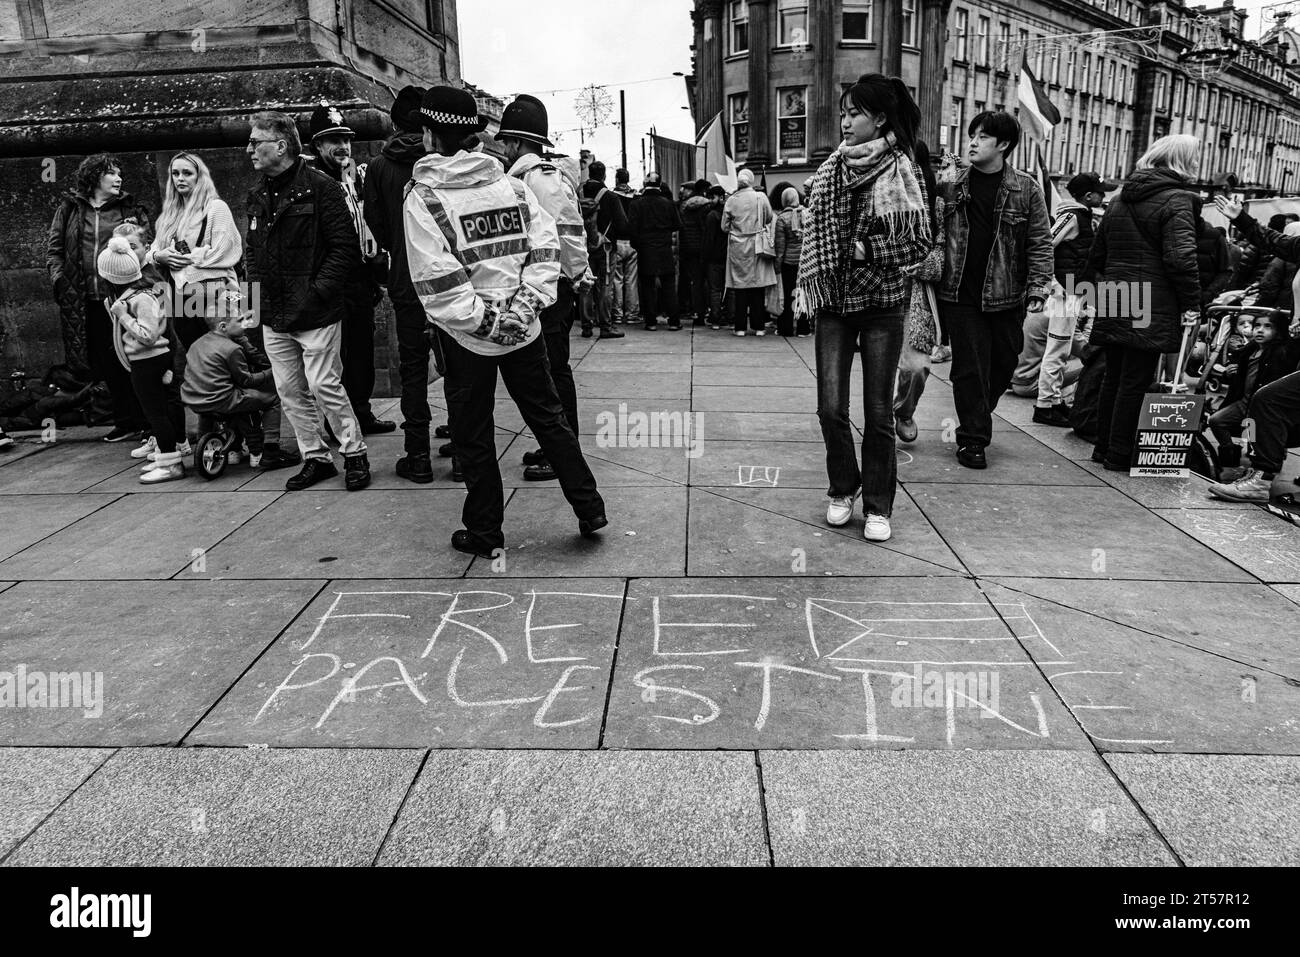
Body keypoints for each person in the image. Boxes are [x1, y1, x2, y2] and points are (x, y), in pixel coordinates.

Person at [403, 85, 608, 557]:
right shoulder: (512, 187)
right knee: (549, 418)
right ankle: (589, 506)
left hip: (467, 338)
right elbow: (546, 250)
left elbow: (437, 279)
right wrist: (525, 307)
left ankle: (485, 533)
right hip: (525, 327)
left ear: (431, 134)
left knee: (473, 435)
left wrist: (486, 322)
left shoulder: (425, 198)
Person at [796, 73, 931, 543]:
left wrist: (866, 251)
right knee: (830, 407)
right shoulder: (832, 167)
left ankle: (877, 505)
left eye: (855, 113)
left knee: (877, 413)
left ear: (880, 118)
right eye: (844, 113)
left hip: (882, 305)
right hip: (834, 301)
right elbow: (817, 224)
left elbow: (919, 242)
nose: (846, 121)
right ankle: (842, 488)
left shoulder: (902, 169)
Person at [244, 109, 370, 491]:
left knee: (324, 385)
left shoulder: (320, 187)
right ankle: (315, 457)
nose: (249, 148)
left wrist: (319, 292)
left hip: (315, 310)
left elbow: (343, 248)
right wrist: (255, 294)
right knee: (289, 390)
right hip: (274, 311)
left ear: (281, 146)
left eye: (256, 142)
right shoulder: (257, 194)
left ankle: (354, 453)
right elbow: (253, 250)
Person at [936, 111, 1053, 469]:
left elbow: (1040, 241)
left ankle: (975, 415)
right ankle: (973, 439)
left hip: (1006, 295)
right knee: (969, 367)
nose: (972, 142)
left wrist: (1038, 286)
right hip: (959, 293)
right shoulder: (952, 184)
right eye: (972, 135)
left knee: (1004, 364)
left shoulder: (1026, 187)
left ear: (1003, 145)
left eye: (982, 137)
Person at [1087, 134, 1202, 471]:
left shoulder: (1120, 198)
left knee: (1114, 375)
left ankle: (1103, 445)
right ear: (1182, 160)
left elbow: (1098, 254)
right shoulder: (1179, 198)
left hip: (1116, 291)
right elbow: (1181, 259)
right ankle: (1120, 453)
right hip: (1152, 297)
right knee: (1135, 378)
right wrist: (1192, 304)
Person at [497, 93, 591, 482]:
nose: (502, 148)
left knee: (554, 368)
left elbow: (566, 233)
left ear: (517, 142)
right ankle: (556, 443)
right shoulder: (533, 176)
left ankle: (563, 450)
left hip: (549, 287)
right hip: (543, 286)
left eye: (505, 141)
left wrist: (578, 274)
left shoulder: (539, 178)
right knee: (546, 369)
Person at [364, 84, 452, 484]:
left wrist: (396, 248)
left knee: (412, 368)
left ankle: (417, 454)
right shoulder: (443, 161)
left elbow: (376, 222)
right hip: (448, 277)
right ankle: (465, 451)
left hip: (404, 276)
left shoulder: (380, 167)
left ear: (395, 123)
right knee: (457, 362)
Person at [46, 153, 151, 442]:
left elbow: (145, 245)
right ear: (95, 178)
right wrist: (59, 279)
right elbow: (55, 249)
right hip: (84, 299)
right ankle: (125, 420)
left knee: (132, 356)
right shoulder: (69, 209)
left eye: (119, 174)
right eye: (112, 173)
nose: (119, 179)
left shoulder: (128, 208)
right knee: (105, 361)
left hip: (121, 296)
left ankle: (146, 420)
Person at [308, 101, 396, 436]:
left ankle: (361, 411)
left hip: (359, 279)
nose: (343, 146)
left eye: (345, 138)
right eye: (333, 140)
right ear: (318, 145)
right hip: (331, 281)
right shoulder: (312, 182)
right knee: (334, 357)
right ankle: (336, 421)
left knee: (361, 350)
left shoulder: (354, 178)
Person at [1007, 171, 1111, 426]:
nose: (1104, 195)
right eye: (1101, 192)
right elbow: (1045, 244)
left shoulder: (1081, 217)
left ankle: (1053, 401)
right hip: (1065, 293)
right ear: (1088, 196)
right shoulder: (1073, 217)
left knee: (1061, 350)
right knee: (1057, 349)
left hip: (1071, 291)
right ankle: (1045, 405)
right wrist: (1052, 283)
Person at [96, 234, 186, 483]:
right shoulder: (128, 297)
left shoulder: (141, 297)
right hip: (143, 362)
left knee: (156, 413)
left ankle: (171, 464)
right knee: (155, 412)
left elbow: (148, 335)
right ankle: (166, 458)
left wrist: (124, 316)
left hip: (149, 360)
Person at [181, 291, 282, 471]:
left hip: (194, 398)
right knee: (271, 399)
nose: (245, 323)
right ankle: (267, 449)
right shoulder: (232, 348)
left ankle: (231, 449)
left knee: (217, 406)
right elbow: (247, 380)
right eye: (239, 320)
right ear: (223, 326)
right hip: (222, 399)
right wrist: (273, 371)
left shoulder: (197, 343)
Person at [893, 140, 945, 443]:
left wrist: (924, 265)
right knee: (880, 372)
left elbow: (942, 252)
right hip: (880, 295)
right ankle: (881, 421)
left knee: (916, 367)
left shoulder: (936, 206)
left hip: (916, 298)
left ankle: (903, 410)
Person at [1206, 314, 1300, 482]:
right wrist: (1228, 373)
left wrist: (1293, 335)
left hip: (1261, 404)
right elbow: (1237, 377)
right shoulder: (1247, 350)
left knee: (1254, 436)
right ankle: (1231, 460)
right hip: (1244, 401)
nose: (1260, 330)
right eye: (1257, 326)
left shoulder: (1281, 351)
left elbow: (1292, 354)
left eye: (1267, 327)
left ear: (1278, 331)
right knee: (1216, 420)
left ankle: (1259, 467)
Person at [723, 168, 777, 336]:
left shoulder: (731, 200)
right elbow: (768, 217)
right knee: (757, 287)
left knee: (740, 287)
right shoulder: (760, 197)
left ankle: (740, 327)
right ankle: (759, 326)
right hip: (757, 245)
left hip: (738, 246)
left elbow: (724, 226)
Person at [578, 160, 627, 339]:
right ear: (604, 175)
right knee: (606, 285)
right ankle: (606, 326)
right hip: (606, 248)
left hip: (583, 248)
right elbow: (622, 225)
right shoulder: (611, 197)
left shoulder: (579, 193)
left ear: (589, 174)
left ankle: (586, 327)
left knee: (586, 286)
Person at [628, 171, 682, 330]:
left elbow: (632, 228)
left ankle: (651, 322)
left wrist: (638, 244)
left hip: (645, 249)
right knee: (669, 286)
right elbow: (677, 225)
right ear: (659, 184)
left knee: (647, 286)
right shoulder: (668, 204)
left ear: (645, 184)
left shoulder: (636, 204)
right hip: (664, 249)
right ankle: (674, 321)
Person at [773, 186, 810, 337]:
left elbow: (780, 246)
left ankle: (785, 328)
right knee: (803, 294)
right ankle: (803, 328)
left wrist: (777, 265)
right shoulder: (807, 214)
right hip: (805, 262)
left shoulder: (782, 218)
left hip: (788, 262)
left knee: (788, 295)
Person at [677, 179, 712, 326]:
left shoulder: (686, 207)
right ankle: (708, 310)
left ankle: (697, 312)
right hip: (704, 248)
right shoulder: (708, 207)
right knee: (708, 281)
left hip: (689, 248)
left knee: (695, 282)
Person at [610, 168, 641, 325]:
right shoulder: (637, 197)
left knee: (617, 280)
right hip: (633, 243)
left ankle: (617, 313)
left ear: (616, 179)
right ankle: (631, 314)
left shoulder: (612, 196)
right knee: (632, 280)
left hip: (616, 242)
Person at [702, 184, 729, 329]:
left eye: (712, 197)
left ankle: (715, 318)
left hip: (713, 257)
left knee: (714, 289)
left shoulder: (712, 215)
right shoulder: (727, 213)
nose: (710, 200)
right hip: (727, 256)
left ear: (720, 197)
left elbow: (708, 239)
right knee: (728, 288)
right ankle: (730, 316)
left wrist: (704, 257)